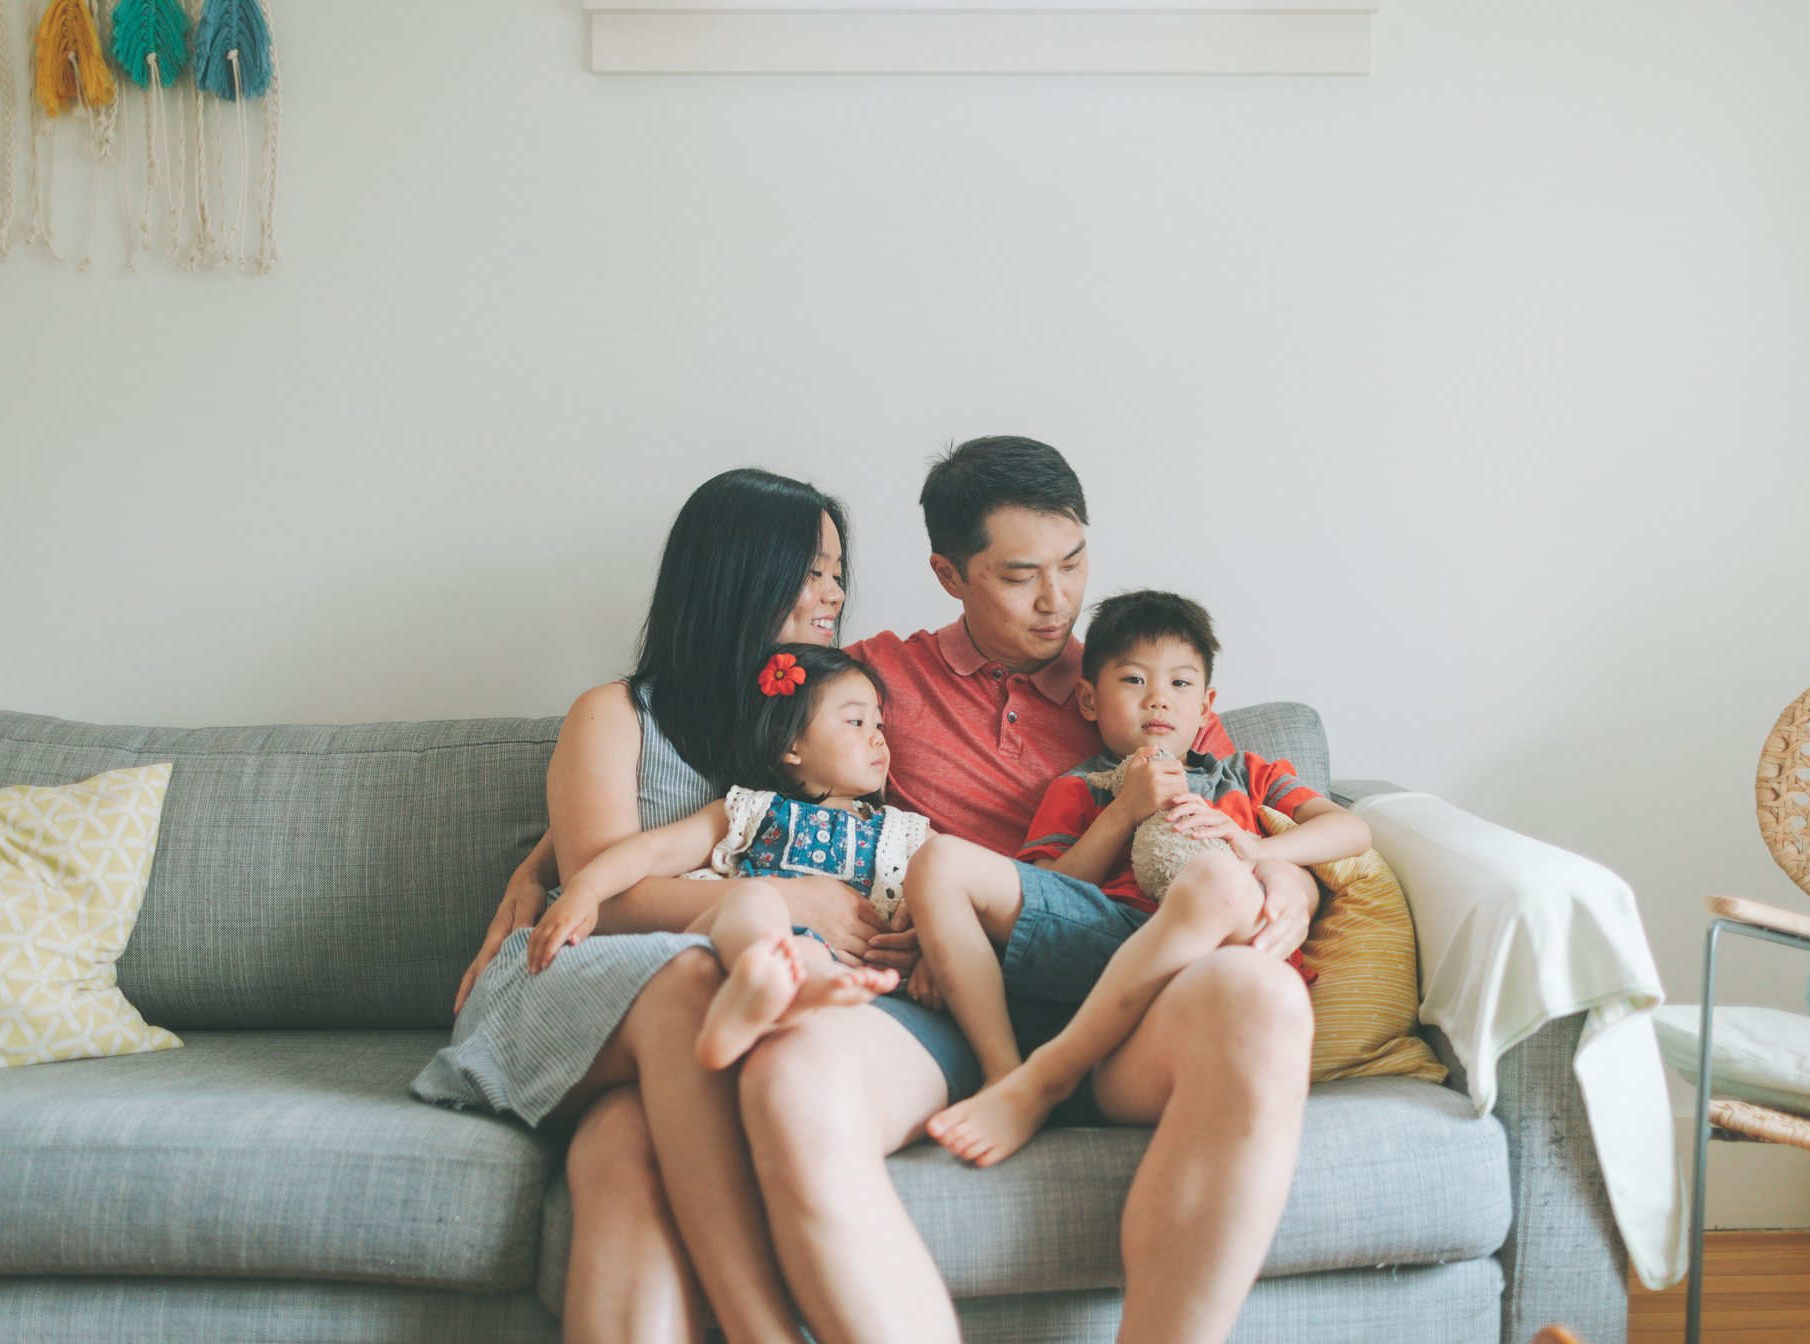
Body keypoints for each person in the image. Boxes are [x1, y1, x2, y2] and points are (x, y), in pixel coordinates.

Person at [733, 436, 1330, 1344]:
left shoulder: (1132, 678)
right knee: (791, 1081)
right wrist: (556, 864)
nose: (1059, 602)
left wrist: (1286, 869)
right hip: (951, 1002)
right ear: (948, 573)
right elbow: (723, 759)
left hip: (1136, 998)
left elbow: (1242, 797)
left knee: (1267, 1000)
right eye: (1019, 577)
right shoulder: (879, 677)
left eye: (1074, 562)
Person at [431, 467, 958, 1344]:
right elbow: (609, 895)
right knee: (684, 985)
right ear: (735, 572)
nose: (833, 594)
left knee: (621, 1149)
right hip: (573, 973)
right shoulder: (615, 714)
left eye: (837, 573)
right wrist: (781, 896)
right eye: (810, 570)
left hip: (708, 1001)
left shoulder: (819, 719)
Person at [904, 588, 1373, 1167]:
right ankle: (1007, 1077)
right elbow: (1048, 887)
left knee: (1217, 882)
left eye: (1180, 684)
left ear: (1207, 707)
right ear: (1088, 700)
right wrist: (1124, 810)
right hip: (1113, 940)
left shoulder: (1247, 774)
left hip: (1218, 958)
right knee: (939, 860)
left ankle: (1047, 1077)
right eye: (1132, 681)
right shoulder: (1080, 786)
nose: (1158, 700)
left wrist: (1255, 849)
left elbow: (1349, 830)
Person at [522, 644, 920, 1071]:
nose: (878, 736)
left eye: (878, 723)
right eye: (856, 722)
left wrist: (925, 945)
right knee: (753, 901)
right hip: (729, 953)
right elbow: (653, 851)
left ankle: (792, 996)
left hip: (835, 968)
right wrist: (585, 887)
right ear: (791, 746)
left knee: (808, 955)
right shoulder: (753, 809)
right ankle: (755, 984)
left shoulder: (901, 831)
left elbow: (951, 885)